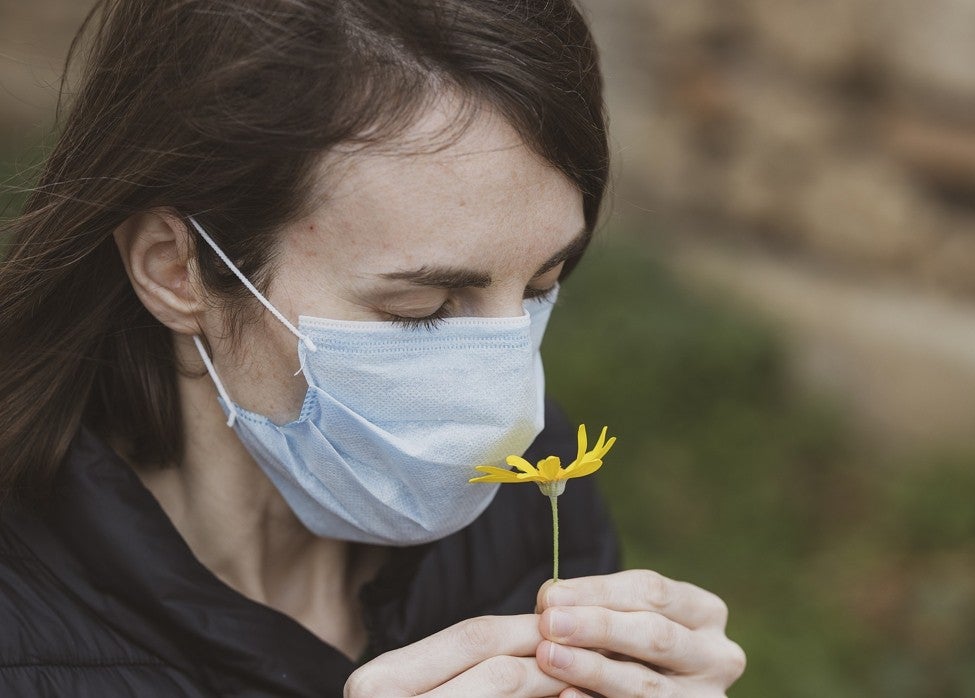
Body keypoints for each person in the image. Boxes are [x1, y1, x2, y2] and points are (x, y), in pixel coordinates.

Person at [0, 1, 746, 695]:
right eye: (421, 312)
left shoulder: (532, 502)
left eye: (542, 285)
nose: (504, 406)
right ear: (177, 270)